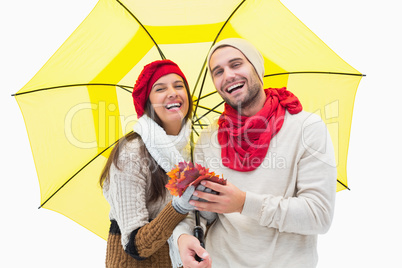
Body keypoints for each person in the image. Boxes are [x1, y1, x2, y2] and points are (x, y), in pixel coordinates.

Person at [173, 38, 337, 268]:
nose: (228, 75)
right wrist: (182, 237)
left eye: (236, 64)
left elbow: (318, 215)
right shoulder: (208, 140)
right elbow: (197, 211)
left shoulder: (306, 128)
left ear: (257, 69)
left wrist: (243, 203)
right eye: (218, 71)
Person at [100, 59, 202, 267]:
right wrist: (179, 206)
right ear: (148, 103)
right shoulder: (131, 153)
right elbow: (136, 246)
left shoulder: (192, 150)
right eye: (160, 88)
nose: (172, 92)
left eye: (178, 85)